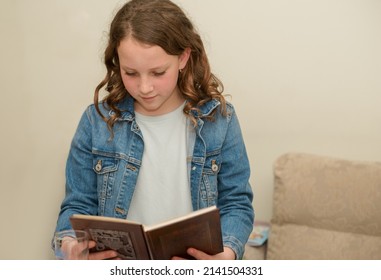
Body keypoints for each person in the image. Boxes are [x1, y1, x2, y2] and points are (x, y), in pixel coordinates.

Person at [54, 0, 254, 260]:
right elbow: (77, 206)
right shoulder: (96, 122)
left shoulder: (219, 119)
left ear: (183, 57)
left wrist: (226, 254)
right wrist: (70, 245)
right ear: (117, 63)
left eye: (158, 72)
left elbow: (236, 203)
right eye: (131, 73)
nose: (144, 87)